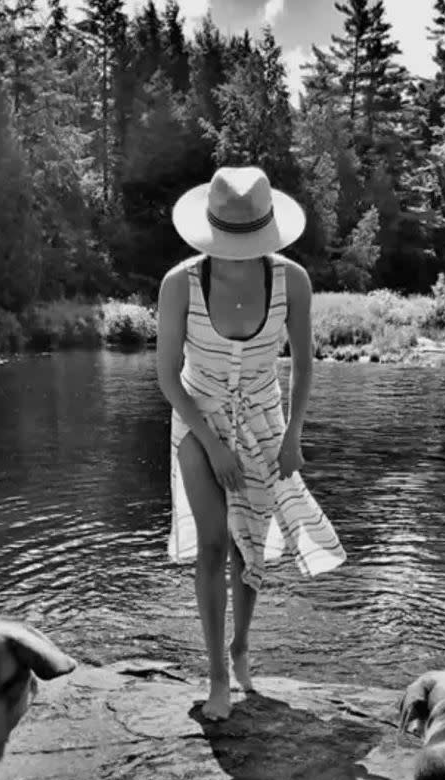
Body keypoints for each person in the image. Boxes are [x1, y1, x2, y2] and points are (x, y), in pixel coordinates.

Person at [156, 165, 347, 721]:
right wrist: (212, 446)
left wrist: (294, 435)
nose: (237, 250)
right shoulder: (179, 284)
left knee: (249, 549)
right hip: (197, 418)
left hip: (264, 420)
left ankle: (242, 648)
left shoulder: (292, 281)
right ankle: (216, 675)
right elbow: (168, 376)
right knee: (214, 543)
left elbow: (306, 365)